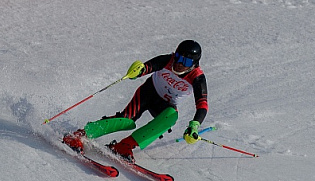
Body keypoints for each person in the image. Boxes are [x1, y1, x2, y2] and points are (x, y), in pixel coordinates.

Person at [63, 40, 208, 162]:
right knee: (126, 120)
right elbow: (148, 67)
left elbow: (202, 105)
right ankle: (79, 135)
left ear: (194, 64)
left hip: (165, 105)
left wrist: (194, 126)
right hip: (148, 92)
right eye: (178, 56)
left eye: (186, 61)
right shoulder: (168, 60)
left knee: (171, 117)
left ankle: (124, 146)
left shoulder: (197, 78)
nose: (179, 63)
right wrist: (138, 71)